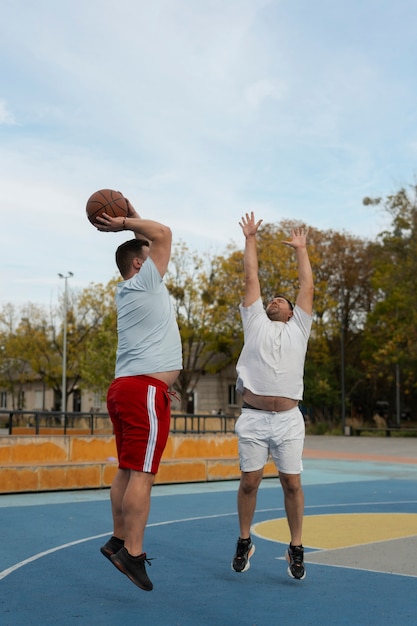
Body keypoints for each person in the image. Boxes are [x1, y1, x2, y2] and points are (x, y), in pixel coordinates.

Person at [95, 198, 182, 591]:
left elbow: (151, 238)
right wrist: (127, 223)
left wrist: (130, 220)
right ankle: (133, 552)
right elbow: (162, 233)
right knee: (142, 474)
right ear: (138, 264)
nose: (157, 258)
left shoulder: (127, 290)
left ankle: (117, 538)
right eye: (148, 255)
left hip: (130, 387)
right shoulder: (145, 280)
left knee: (128, 469)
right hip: (142, 389)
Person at [232, 212, 314, 580]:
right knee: (250, 482)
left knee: (291, 483)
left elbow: (306, 287)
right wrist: (250, 238)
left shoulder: (300, 328)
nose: (274, 301)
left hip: (289, 420)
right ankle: (244, 539)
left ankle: (296, 546)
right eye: (272, 299)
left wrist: (301, 249)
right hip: (253, 416)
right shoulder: (255, 322)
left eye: (281, 299)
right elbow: (252, 277)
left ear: (293, 312)